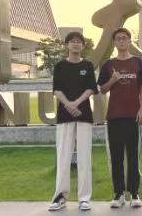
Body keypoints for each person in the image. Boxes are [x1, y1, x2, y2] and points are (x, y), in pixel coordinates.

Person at [97, 28, 142, 209]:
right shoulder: (108, 64)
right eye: (118, 38)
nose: (121, 41)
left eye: (124, 38)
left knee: (133, 156)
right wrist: (113, 80)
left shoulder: (138, 63)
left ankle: (134, 193)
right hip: (114, 116)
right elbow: (102, 89)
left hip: (132, 116)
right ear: (114, 42)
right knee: (116, 157)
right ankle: (118, 193)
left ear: (129, 41)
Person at [49, 32, 97, 212]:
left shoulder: (88, 65)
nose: (76, 44)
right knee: (63, 157)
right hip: (65, 116)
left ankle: (84, 198)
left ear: (83, 45)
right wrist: (69, 105)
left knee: (85, 157)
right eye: (72, 41)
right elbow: (57, 90)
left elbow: (91, 88)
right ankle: (60, 197)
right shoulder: (60, 66)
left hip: (84, 115)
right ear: (67, 45)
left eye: (79, 42)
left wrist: (76, 103)